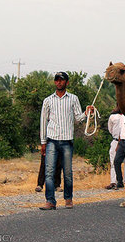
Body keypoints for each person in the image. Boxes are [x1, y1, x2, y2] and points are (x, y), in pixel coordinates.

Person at [39, 71, 92, 210]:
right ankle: (50, 201)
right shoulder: (48, 100)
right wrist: (43, 142)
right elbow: (43, 122)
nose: (59, 82)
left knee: (67, 172)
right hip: (52, 140)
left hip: (67, 141)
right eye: (57, 80)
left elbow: (78, 118)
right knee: (49, 173)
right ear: (54, 82)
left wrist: (86, 113)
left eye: (62, 80)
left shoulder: (73, 99)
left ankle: (68, 199)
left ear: (67, 82)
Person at [105, 108, 125, 190]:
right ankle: (114, 181)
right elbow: (110, 129)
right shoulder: (113, 117)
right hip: (116, 140)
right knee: (114, 162)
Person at [113, 111, 125, 190]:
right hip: (122, 142)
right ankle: (120, 182)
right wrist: (118, 144)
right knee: (116, 161)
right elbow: (120, 130)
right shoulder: (122, 117)